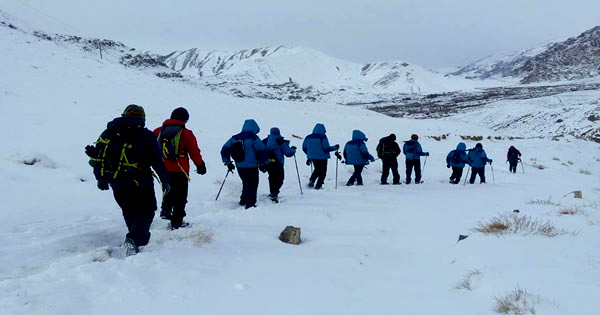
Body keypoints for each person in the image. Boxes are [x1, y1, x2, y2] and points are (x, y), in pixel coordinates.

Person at [86, 104, 170, 256]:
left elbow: (99, 157)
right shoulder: (146, 135)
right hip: (140, 182)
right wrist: (165, 180)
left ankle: (138, 238)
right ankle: (135, 239)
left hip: (115, 182)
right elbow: (157, 161)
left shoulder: (109, 132)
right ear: (143, 118)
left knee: (128, 210)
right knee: (146, 210)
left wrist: (101, 179)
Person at [153, 107, 206, 230]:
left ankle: (165, 210)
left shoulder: (158, 131)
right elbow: (194, 151)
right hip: (180, 169)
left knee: (167, 189)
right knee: (181, 196)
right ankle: (177, 221)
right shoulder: (186, 133)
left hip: (163, 168)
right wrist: (200, 165)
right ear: (185, 119)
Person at [220, 119, 267, 209]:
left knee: (245, 182)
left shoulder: (235, 138)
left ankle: (243, 200)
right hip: (252, 166)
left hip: (240, 166)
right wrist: (264, 163)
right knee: (253, 184)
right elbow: (261, 151)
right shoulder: (254, 138)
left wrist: (227, 162)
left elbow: (224, 149)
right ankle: (250, 204)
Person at [263, 127, 297, 203]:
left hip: (268, 163)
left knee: (271, 177)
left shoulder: (265, 141)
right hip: (278, 163)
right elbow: (288, 153)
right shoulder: (280, 141)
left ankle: (272, 192)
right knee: (280, 179)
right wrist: (293, 150)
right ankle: (274, 193)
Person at [302, 123, 340, 190]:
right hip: (322, 158)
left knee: (317, 169)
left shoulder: (308, 137)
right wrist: (335, 147)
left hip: (313, 158)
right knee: (323, 172)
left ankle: (312, 180)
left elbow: (304, 148)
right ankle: (318, 186)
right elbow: (326, 148)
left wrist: (309, 155)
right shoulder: (322, 137)